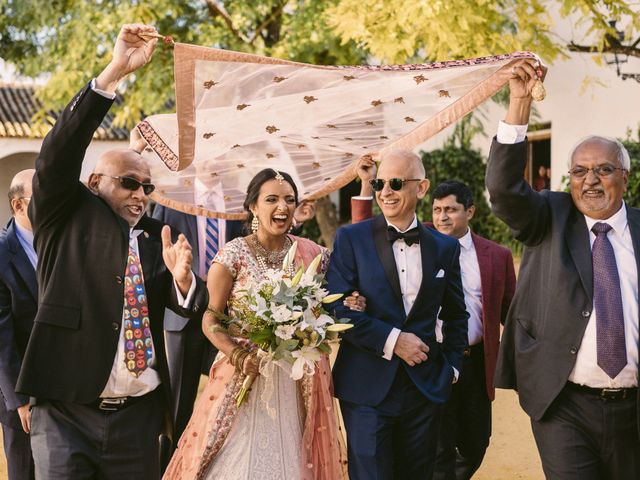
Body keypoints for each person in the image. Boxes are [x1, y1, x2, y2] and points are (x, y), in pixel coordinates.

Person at [17, 24, 208, 479]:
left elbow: (182, 321)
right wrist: (113, 73)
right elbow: (57, 154)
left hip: (139, 418)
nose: (141, 193)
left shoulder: (158, 237)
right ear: (94, 184)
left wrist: (184, 286)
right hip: (66, 411)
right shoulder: (63, 217)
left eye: (147, 186)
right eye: (128, 183)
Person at [486, 59, 639, 478]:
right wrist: (519, 102)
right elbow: (503, 189)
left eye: (603, 170)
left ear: (624, 177)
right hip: (563, 404)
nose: (590, 180)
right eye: (579, 171)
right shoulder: (549, 218)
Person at [163, 168, 364, 479]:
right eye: (271, 199)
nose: (282, 207)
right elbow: (210, 317)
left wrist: (354, 299)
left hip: (296, 381)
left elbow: (355, 265)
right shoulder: (233, 255)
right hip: (244, 375)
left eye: (289, 200)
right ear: (254, 207)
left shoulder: (312, 254)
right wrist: (237, 354)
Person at [350, 162, 517, 479]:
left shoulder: (497, 255)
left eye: (451, 210)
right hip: (427, 359)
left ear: (470, 212)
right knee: (435, 449)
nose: (442, 217)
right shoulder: (417, 237)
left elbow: (513, 313)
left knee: (475, 444)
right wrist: (365, 185)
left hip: (474, 363)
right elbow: (365, 234)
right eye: (438, 209)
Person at [326, 149, 469, 479]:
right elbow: (335, 307)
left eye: (394, 183)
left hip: (425, 388)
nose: (384, 192)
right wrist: (394, 341)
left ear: (421, 188)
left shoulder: (445, 248)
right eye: (379, 183)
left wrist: (452, 369)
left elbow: (456, 315)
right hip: (366, 388)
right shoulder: (351, 239)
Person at [151, 198, 315, 459]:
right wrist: (185, 282)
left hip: (232, 319)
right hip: (183, 308)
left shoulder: (236, 199)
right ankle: (171, 464)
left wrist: (297, 221)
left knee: (233, 396)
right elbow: (160, 251)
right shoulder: (172, 203)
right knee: (179, 403)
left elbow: (262, 240)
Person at [0, 170, 37, 480]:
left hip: (68, 386)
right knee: (24, 470)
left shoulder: (62, 242)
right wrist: (20, 401)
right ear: (18, 205)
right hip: (21, 388)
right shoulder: (1, 252)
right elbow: (2, 335)